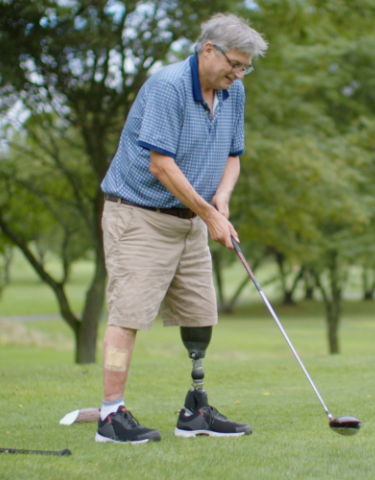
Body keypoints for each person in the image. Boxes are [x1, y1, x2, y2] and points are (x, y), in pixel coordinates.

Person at [95, 13, 267, 444]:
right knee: (128, 313)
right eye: (234, 63)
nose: (238, 73)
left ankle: (195, 411)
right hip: (138, 215)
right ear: (208, 49)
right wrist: (211, 216)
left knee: (200, 313)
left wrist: (221, 199)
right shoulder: (168, 86)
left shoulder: (234, 92)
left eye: (245, 66)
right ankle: (110, 416)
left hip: (189, 219)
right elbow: (160, 164)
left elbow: (233, 154)